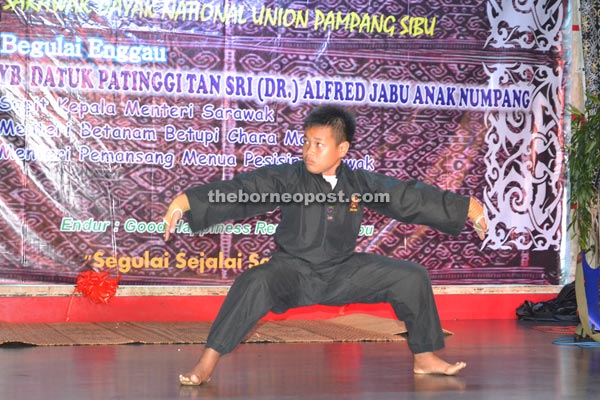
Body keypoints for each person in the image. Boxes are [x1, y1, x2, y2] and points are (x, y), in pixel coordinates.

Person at [163, 105, 487, 385]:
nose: (309, 151)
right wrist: (186, 202)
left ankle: (425, 358)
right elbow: (244, 190)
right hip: (291, 272)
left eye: (319, 144)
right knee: (254, 281)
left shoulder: (360, 183)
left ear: (342, 150)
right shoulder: (289, 178)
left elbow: (407, 198)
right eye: (307, 143)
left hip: (341, 271)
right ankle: (206, 364)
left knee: (411, 277)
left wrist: (465, 208)